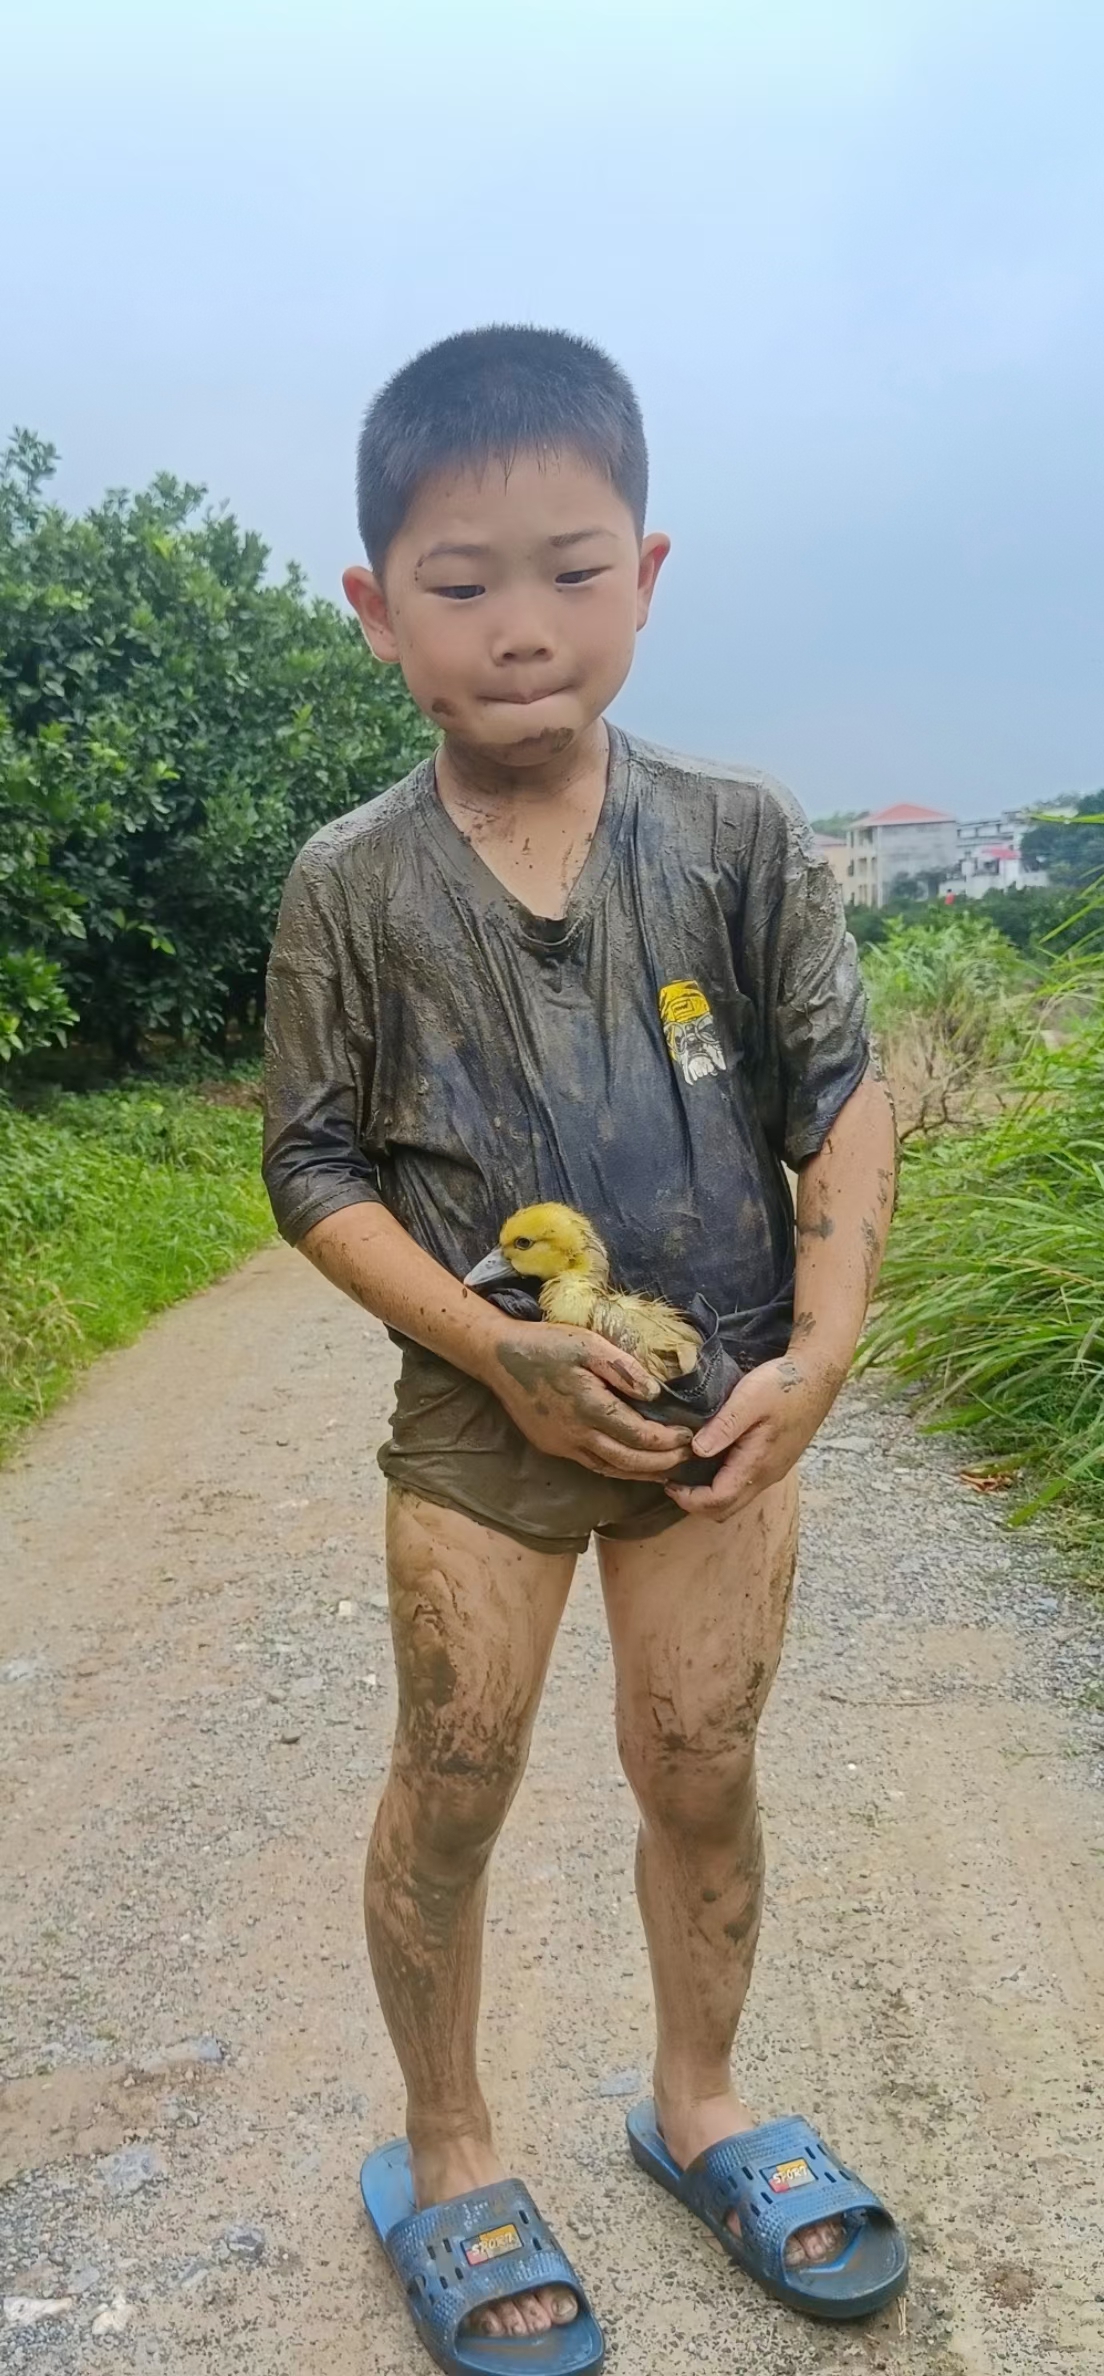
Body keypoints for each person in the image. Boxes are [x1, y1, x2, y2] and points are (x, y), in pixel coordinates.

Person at [262, 326, 907, 2373]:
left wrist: (818, 1353)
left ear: (650, 569)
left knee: (698, 1766)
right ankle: (450, 2153)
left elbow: (838, 1095)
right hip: (482, 1421)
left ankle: (700, 2102)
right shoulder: (347, 887)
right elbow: (308, 1165)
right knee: (455, 1772)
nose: (521, 628)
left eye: (573, 568)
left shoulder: (734, 836)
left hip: (727, 1418)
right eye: (460, 584)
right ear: (377, 611)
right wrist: (502, 1351)